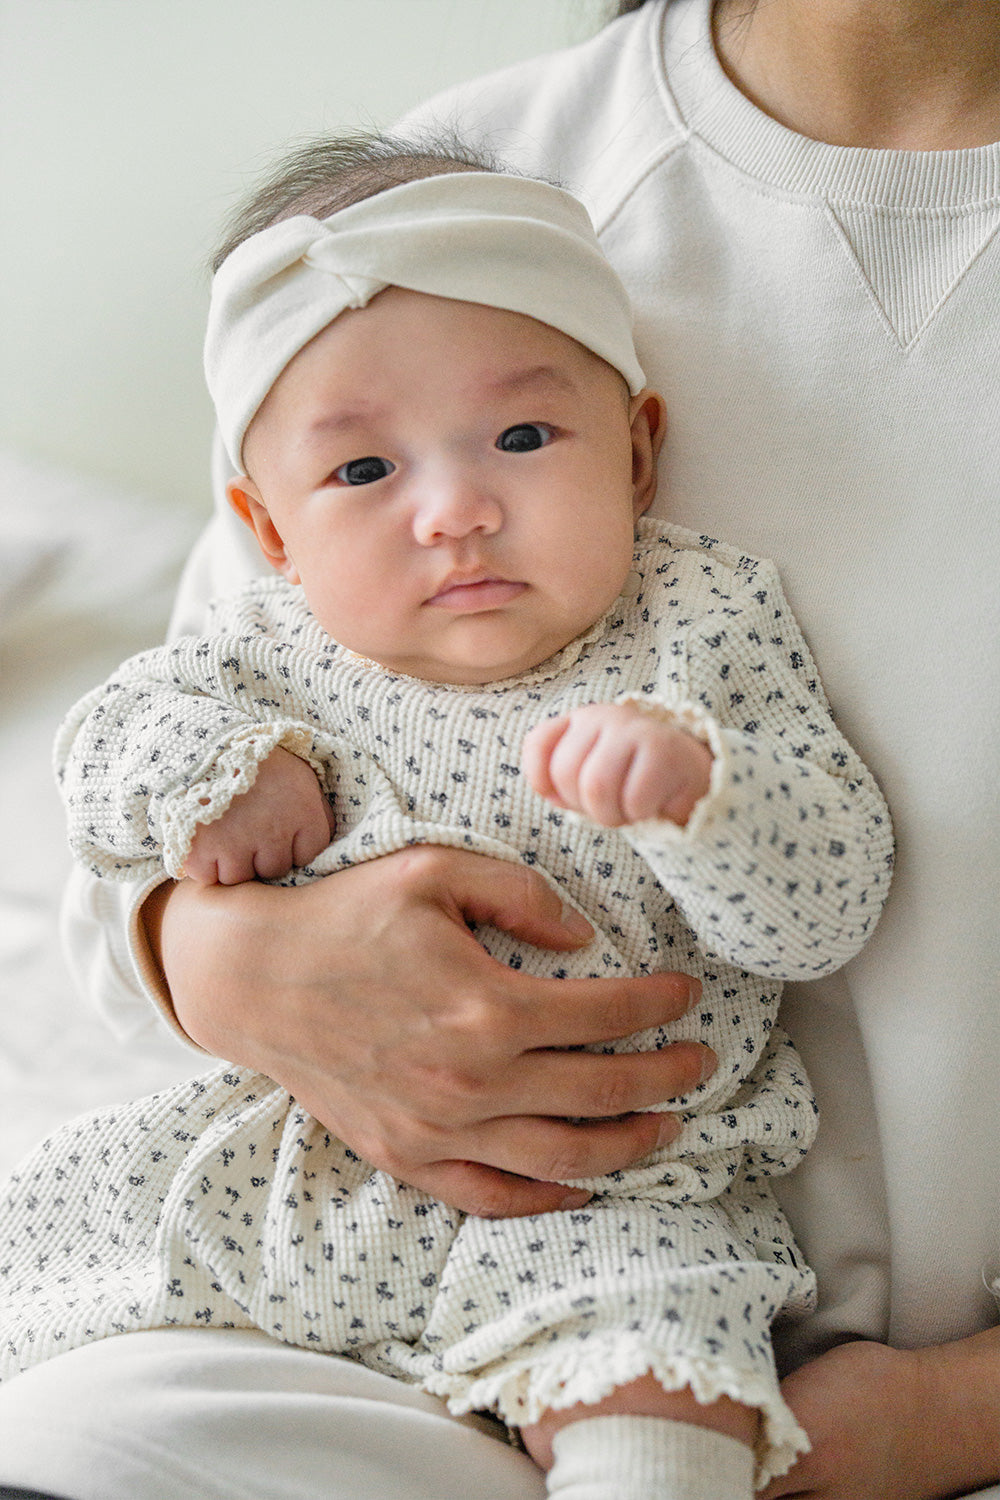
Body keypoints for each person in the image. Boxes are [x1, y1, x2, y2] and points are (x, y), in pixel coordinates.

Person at [0, 2, 996, 1498]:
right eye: (364, 471)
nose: (453, 509)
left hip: (657, 1250)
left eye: (525, 444)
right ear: (271, 524)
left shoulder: (698, 622)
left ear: (638, 448)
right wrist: (216, 933)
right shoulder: (453, 194)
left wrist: (701, 803)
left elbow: (822, 888)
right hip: (324, 1218)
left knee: (652, 1443)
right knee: (88, 1419)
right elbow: (111, 826)